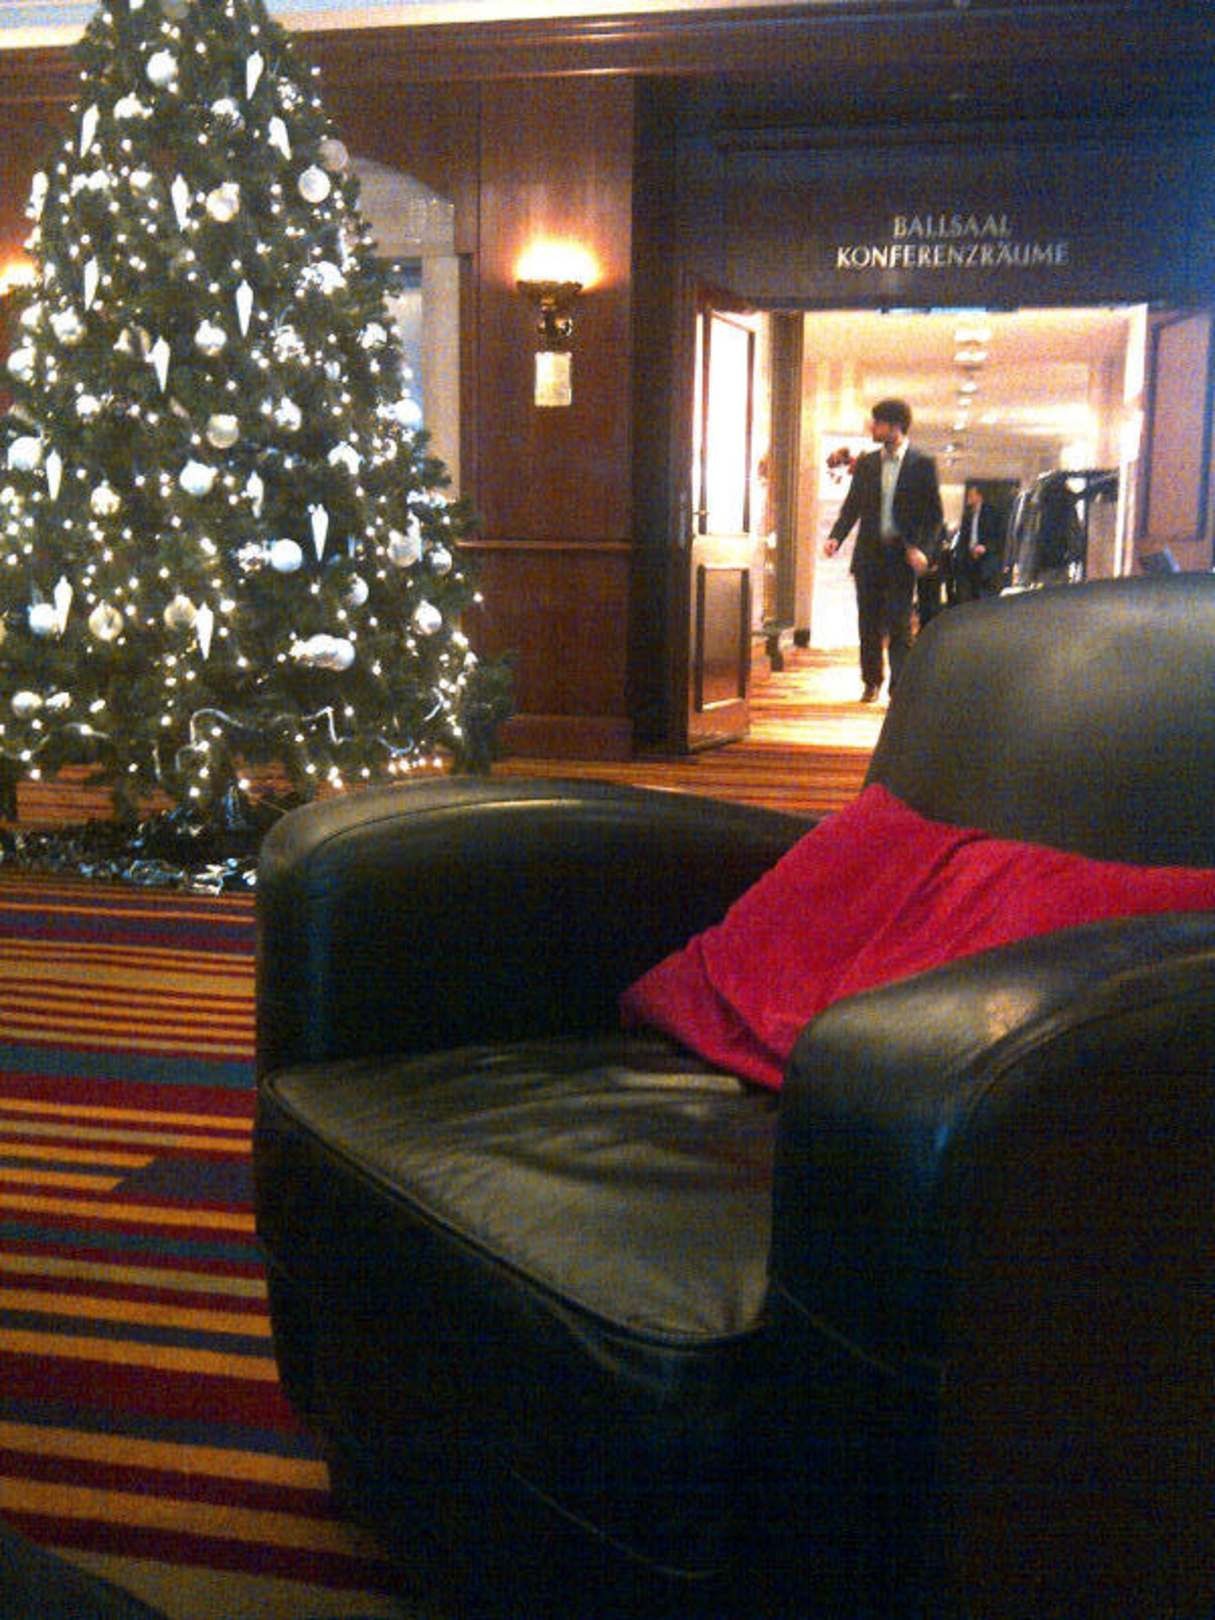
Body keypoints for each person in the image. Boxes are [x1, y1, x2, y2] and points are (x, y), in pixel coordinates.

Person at [823, 398, 944, 702]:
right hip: (869, 556)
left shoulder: (922, 464)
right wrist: (836, 537)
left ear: (894, 426)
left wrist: (923, 550)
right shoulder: (867, 464)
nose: (872, 427)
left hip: (901, 557)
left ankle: (898, 686)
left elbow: (934, 515)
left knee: (899, 624)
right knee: (868, 623)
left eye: (877, 423)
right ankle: (871, 681)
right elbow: (852, 506)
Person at [954, 482, 1004, 600]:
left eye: (971, 495)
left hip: (987, 560)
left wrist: (985, 547)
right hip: (970, 560)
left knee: (986, 595)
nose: (968, 498)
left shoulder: (991, 513)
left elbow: (998, 536)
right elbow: (963, 538)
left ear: (979, 496)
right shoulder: (967, 515)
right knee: (971, 594)